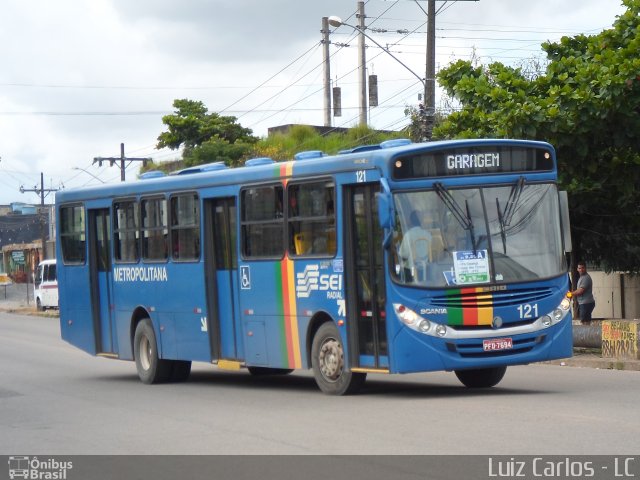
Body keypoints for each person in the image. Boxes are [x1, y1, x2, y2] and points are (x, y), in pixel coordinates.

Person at [398, 211, 432, 282]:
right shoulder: (428, 235)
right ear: (421, 221)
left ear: (411, 222)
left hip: (412, 271)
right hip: (427, 270)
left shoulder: (408, 235)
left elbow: (403, 255)